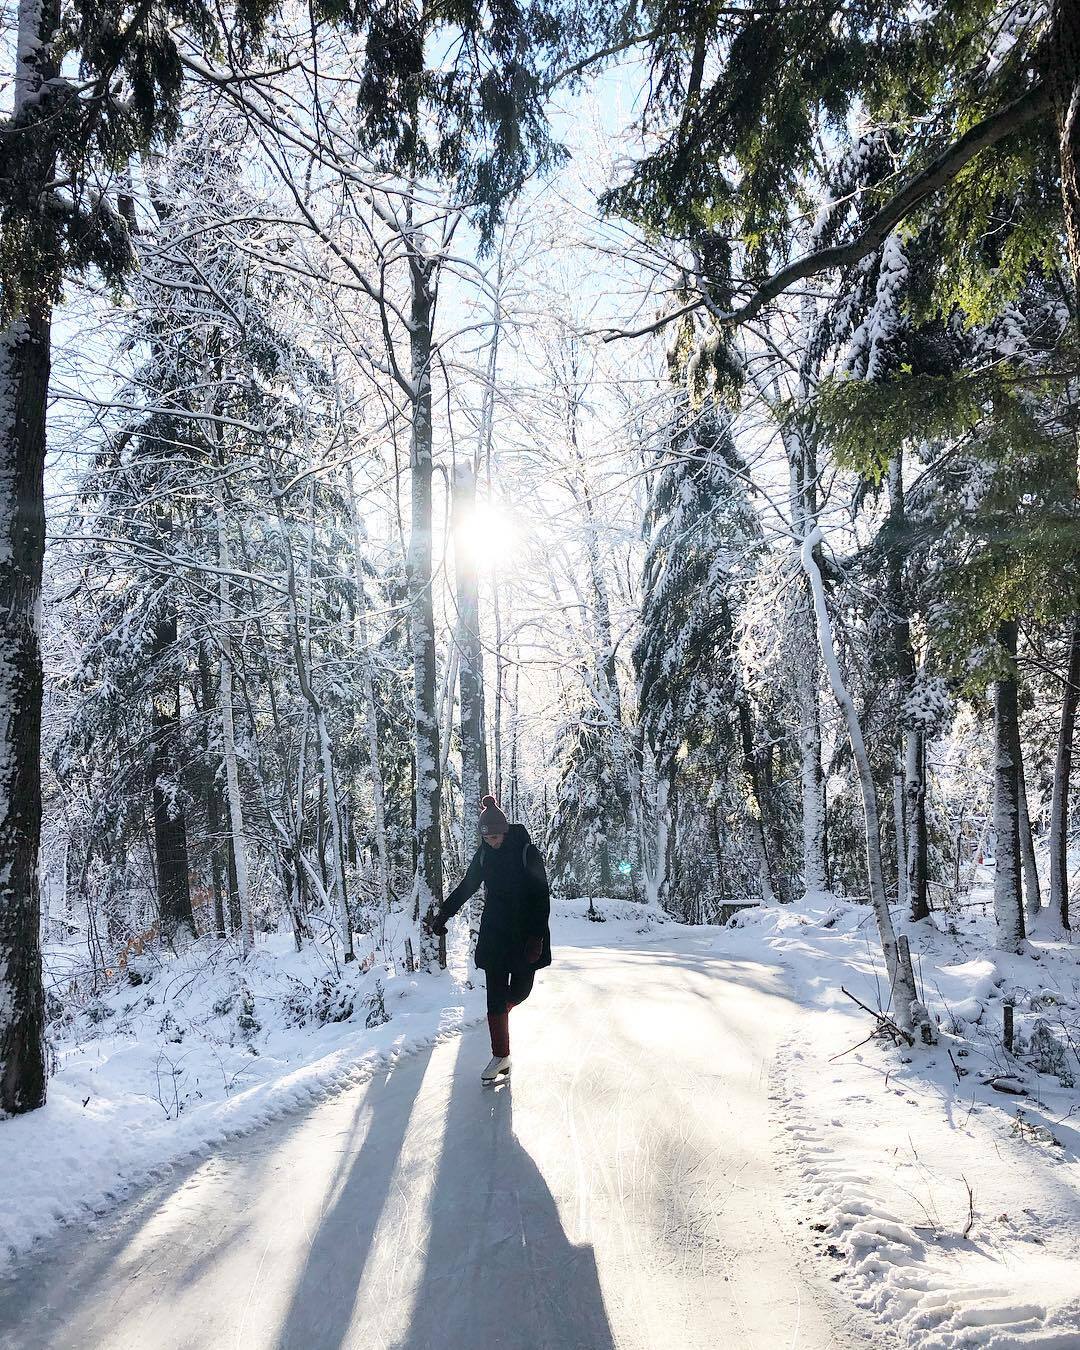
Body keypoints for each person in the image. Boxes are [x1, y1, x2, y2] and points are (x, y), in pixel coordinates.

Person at [426, 795, 551, 1084]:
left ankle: (500, 1018)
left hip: (525, 933)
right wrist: (443, 916)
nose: (493, 842)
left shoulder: (527, 852)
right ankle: (501, 1055)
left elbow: (541, 896)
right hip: (495, 932)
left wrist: (536, 936)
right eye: (488, 838)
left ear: (505, 831)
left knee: (520, 992)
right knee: (494, 996)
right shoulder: (483, 854)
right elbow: (466, 887)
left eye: (496, 836)